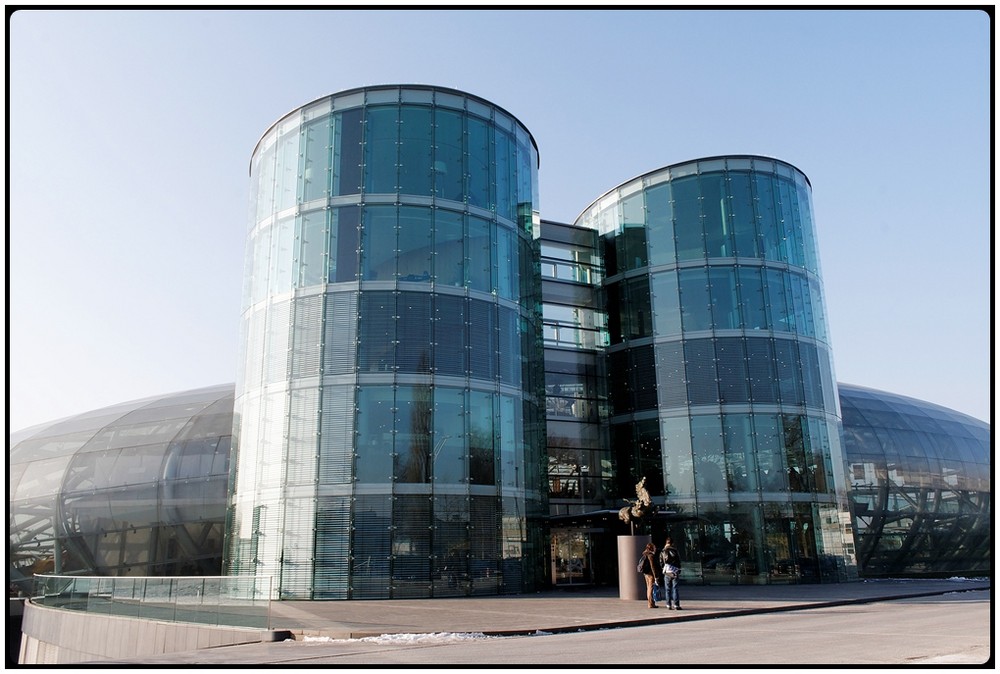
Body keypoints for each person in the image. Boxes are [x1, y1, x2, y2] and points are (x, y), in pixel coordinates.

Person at [659, 537, 682, 610]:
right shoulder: (675, 551)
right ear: (672, 543)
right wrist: (678, 569)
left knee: (667, 589)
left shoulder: (663, 551)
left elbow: (661, 562)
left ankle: (668, 604)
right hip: (675, 571)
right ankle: (676, 604)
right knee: (675, 588)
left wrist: (664, 568)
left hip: (667, 572)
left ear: (666, 543)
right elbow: (679, 561)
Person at [639, 542, 663, 608]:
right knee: (651, 588)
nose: (655, 548)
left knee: (648, 588)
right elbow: (653, 567)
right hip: (650, 574)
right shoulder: (651, 556)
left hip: (646, 574)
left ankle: (650, 603)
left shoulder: (645, 554)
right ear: (651, 548)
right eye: (654, 547)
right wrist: (656, 576)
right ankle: (651, 604)